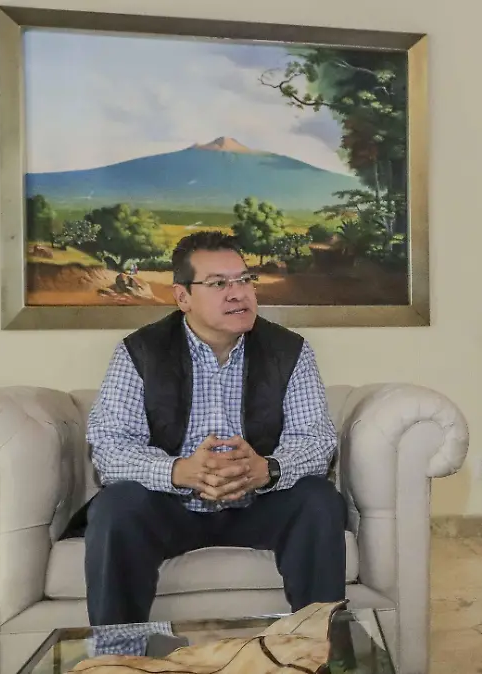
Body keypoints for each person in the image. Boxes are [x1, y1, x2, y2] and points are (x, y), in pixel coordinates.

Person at [65, 230, 345, 626]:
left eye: (244, 279)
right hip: (172, 507)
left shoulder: (290, 351)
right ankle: (120, 653)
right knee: (116, 506)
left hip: (258, 506)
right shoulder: (140, 351)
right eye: (218, 284)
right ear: (183, 297)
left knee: (318, 499)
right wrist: (180, 471)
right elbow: (110, 447)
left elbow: (316, 438)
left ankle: (319, 646)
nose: (238, 293)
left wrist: (267, 469)